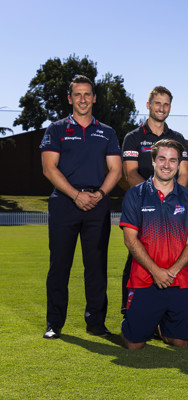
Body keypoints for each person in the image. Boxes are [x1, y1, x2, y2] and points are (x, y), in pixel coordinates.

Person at [40, 75, 122, 339]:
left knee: (96, 266)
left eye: (88, 94)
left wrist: (98, 194)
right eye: (78, 95)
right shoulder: (56, 128)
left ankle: (96, 323)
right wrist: (76, 195)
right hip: (64, 203)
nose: (83, 99)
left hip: (97, 205)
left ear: (94, 98)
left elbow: (115, 170)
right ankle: (54, 323)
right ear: (70, 98)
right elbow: (48, 168)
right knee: (59, 266)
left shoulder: (107, 132)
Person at [119, 139, 188, 349]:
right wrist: (156, 271)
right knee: (134, 345)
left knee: (180, 342)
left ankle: (160, 325)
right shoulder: (135, 194)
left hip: (179, 279)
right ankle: (131, 322)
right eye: (162, 159)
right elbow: (130, 239)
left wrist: (172, 271)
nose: (167, 165)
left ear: (179, 164)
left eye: (173, 160)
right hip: (144, 278)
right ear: (154, 161)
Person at [120, 86, 188, 315]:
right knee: (138, 253)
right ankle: (129, 307)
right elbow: (130, 174)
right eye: (157, 103)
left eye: (166, 104)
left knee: (172, 254)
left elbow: (185, 174)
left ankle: (166, 310)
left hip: (172, 207)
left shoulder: (177, 138)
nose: (162, 108)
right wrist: (152, 198)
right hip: (143, 206)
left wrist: (172, 199)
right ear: (148, 105)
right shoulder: (133, 137)